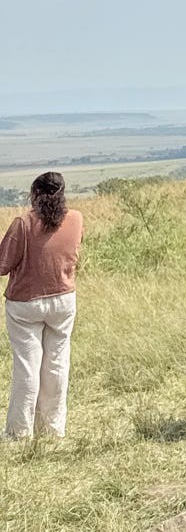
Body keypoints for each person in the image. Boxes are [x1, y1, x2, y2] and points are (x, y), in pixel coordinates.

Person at [1, 172, 83, 441]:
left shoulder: (23, 224)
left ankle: (19, 433)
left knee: (27, 367)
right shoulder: (75, 219)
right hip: (63, 298)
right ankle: (52, 430)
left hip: (26, 303)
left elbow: (3, 265)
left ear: (35, 193)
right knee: (57, 364)